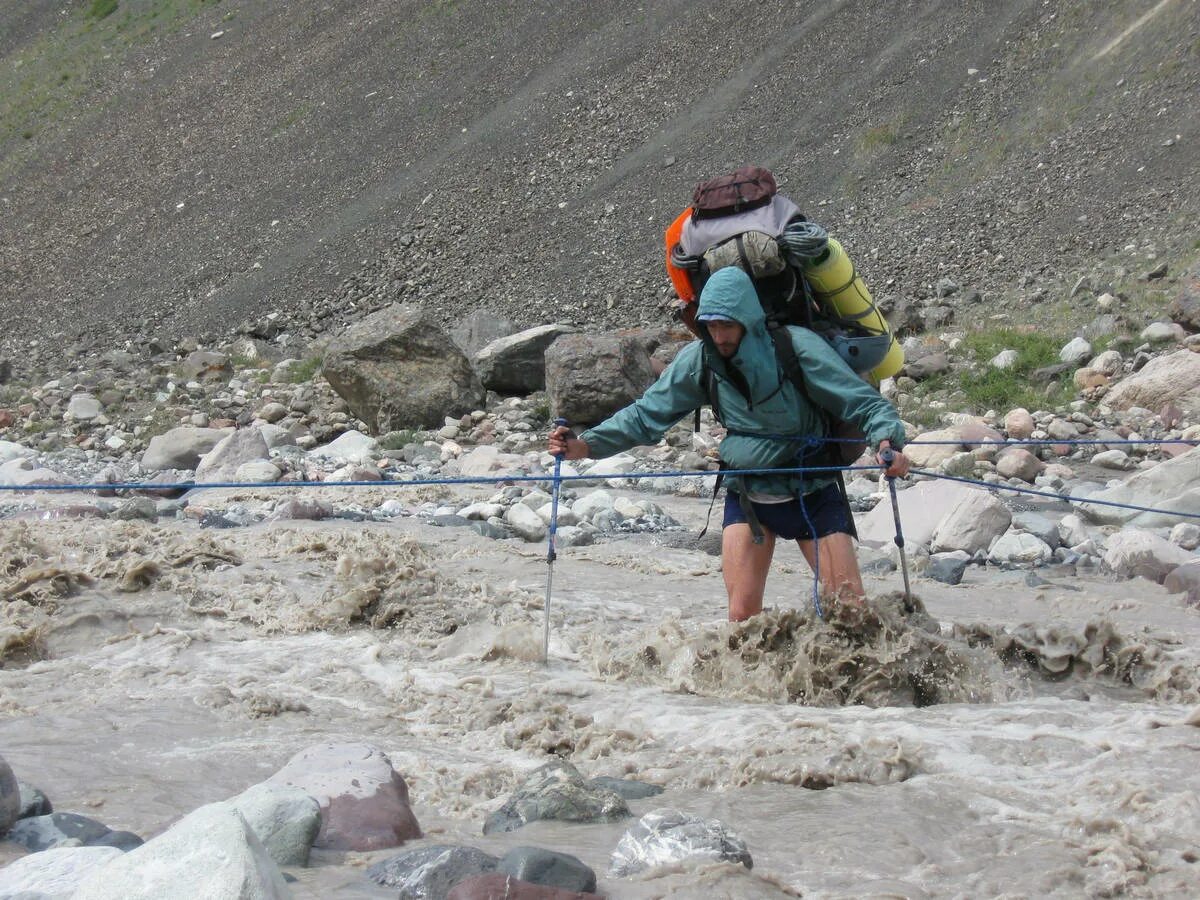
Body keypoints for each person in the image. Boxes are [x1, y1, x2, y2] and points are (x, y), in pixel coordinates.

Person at [548, 266, 910, 621]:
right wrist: (586, 446)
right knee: (742, 617)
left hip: (812, 490)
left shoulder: (795, 350)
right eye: (711, 325)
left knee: (850, 612)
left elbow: (863, 402)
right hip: (749, 494)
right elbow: (646, 415)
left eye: (727, 325)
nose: (719, 336)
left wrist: (886, 441)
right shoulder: (700, 361)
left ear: (748, 320)